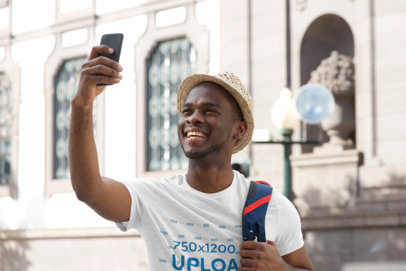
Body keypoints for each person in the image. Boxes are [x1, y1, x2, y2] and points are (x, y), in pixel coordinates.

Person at [69, 45, 315, 271]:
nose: (193, 118)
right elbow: (89, 190)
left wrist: (280, 269)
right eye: (187, 111)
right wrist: (82, 104)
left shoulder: (273, 207)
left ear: (238, 129)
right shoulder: (154, 197)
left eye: (209, 111)